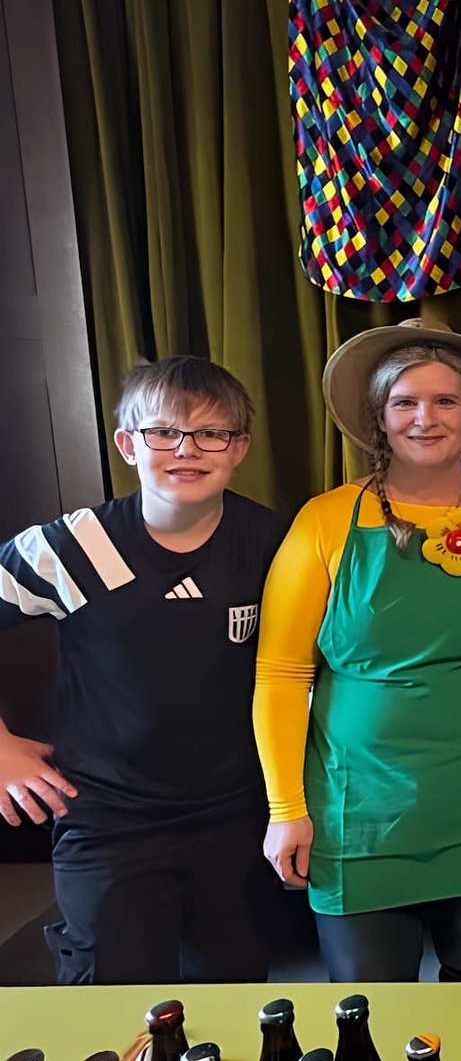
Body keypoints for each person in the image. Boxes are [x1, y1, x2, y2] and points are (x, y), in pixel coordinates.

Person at [253, 317, 461, 981]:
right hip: (358, 806)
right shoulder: (323, 521)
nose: (425, 419)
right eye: (405, 402)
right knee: (368, 1001)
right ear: (379, 417)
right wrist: (285, 809)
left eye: (445, 401)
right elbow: (282, 674)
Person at [0, 357, 286, 984]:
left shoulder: (273, 544)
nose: (187, 449)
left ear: (239, 448)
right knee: (112, 1004)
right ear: (129, 445)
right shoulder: (73, 547)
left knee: (231, 996)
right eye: (163, 432)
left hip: (236, 817)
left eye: (211, 433)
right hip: (108, 821)